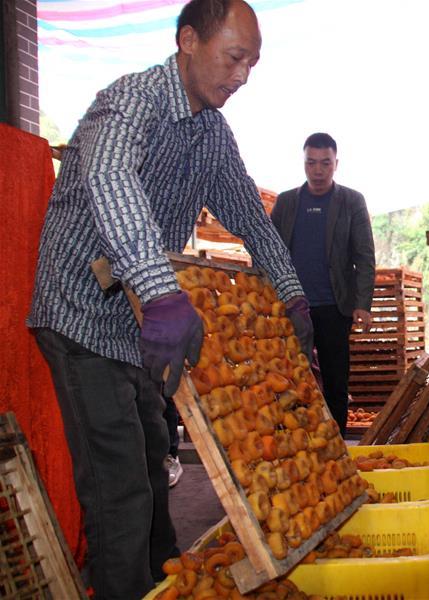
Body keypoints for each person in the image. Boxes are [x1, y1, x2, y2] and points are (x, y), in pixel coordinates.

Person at [26, 1, 313, 597]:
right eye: (234, 57)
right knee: (120, 482)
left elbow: (249, 218)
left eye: (252, 64)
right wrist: (161, 292)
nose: (242, 76)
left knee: (155, 455)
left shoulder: (212, 134)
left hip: (135, 323)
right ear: (188, 40)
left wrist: (291, 294)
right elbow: (109, 178)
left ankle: (166, 581)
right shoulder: (131, 101)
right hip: (80, 313)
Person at [271, 133, 376, 436]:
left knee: (335, 381)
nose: (318, 170)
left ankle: (336, 443)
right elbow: (269, 250)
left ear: (336, 164)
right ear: (304, 163)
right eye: (311, 163)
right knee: (291, 378)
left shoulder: (351, 201)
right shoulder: (287, 202)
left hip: (334, 306)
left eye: (325, 163)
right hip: (293, 306)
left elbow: (364, 255)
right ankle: (297, 441)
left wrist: (362, 304)